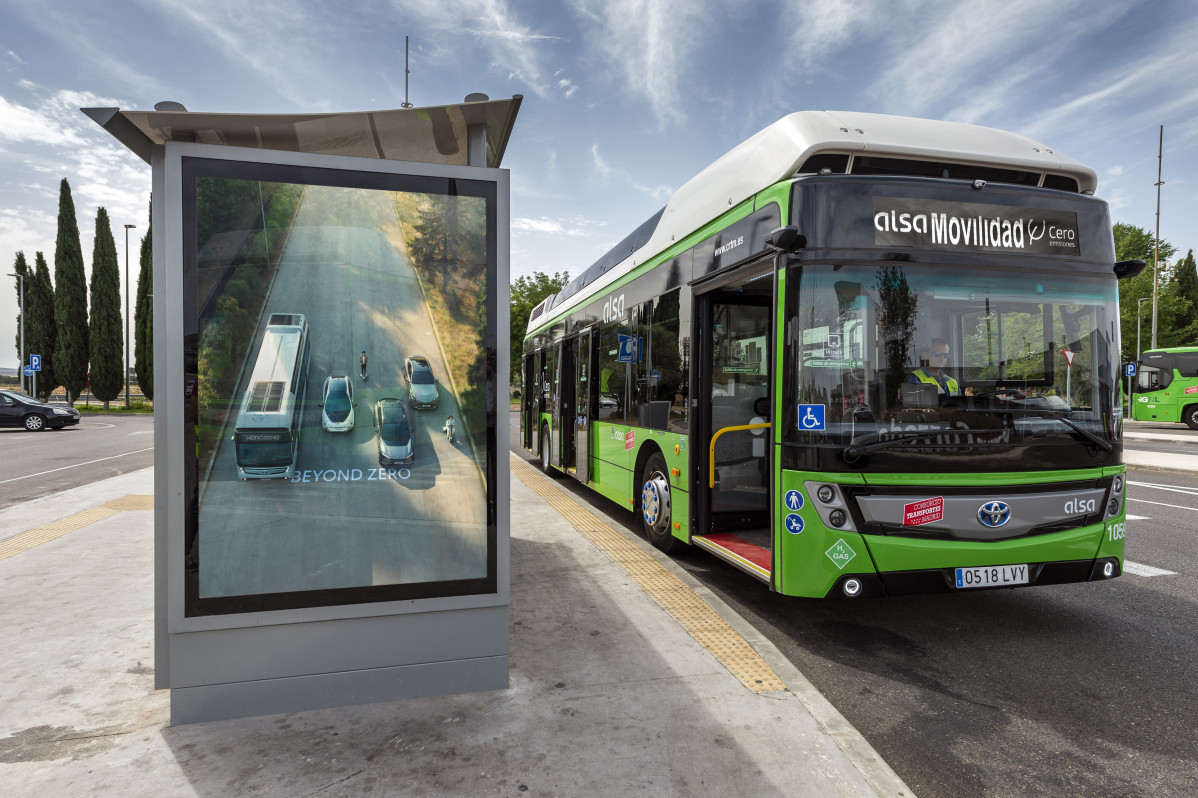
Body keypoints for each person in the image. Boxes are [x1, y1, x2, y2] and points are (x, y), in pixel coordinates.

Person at [907, 338, 972, 398]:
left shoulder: (953, 382)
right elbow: (914, 407)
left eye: (946, 355)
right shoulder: (915, 378)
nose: (942, 358)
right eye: (938, 354)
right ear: (925, 355)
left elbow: (959, 406)